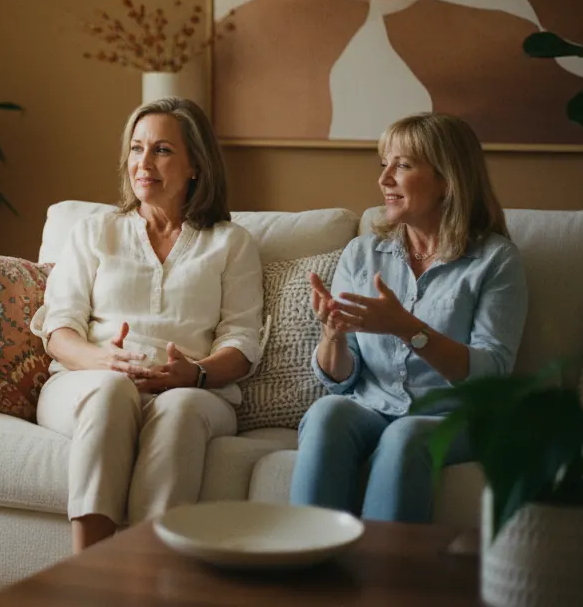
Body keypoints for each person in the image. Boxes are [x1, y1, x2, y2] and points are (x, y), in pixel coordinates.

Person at [30, 97, 264, 552]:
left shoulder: (231, 242)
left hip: (192, 390)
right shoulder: (95, 231)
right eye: (136, 149)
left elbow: (242, 340)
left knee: (179, 410)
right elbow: (59, 329)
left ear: (196, 164)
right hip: (88, 382)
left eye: (161, 150)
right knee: (112, 391)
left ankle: (146, 582)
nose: (143, 163)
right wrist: (102, 361)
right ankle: (90, 574)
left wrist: (194, 373)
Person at [289, 112, 528, 524]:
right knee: (327, 413)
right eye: (384, 164)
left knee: (405, 435)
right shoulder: (362, 253)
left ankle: (385, 581)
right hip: (372, 404)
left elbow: (492, 373)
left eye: (402, 165)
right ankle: (302, 563)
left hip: (456, 416)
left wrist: (406, 328)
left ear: (446, 180)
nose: (384, 180)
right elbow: (342, 378)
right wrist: (332, 335)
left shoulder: (495, 260)